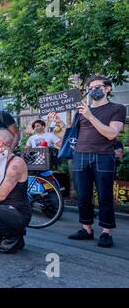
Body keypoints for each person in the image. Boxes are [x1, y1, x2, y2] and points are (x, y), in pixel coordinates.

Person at [52, 76, 126, 248]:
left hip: (103, 156)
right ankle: (86, 229)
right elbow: (72, 136)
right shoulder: (81, 111)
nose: (93, 90)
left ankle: (106, 232)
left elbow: (111, 134)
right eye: (90, 88)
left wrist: (90, 116)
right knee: (83, 195)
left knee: (105, 195)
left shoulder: (117, 108)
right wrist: (59, 123)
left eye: (97, 87)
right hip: (80, 155)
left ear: (107, 89)